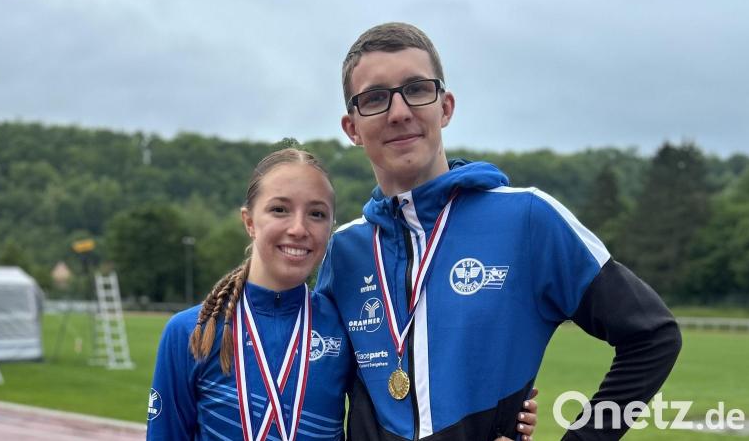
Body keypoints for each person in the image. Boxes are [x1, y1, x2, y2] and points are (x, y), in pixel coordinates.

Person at [316, 22, 682, 440]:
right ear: (352, 128)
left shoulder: (527, 219)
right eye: (375, 98)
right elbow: (304, 380)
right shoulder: (344, 251)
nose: (399, 112)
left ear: (445, 107)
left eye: (417, 89)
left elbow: (652, 336)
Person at [146, 148, 538, 440]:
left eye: (317, 214)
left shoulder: (344, 324)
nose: (299, 228)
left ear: (330, 226)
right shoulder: (191, 332)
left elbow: (411, 397)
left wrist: (502, 414)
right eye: (279, 210)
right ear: (250, 221)